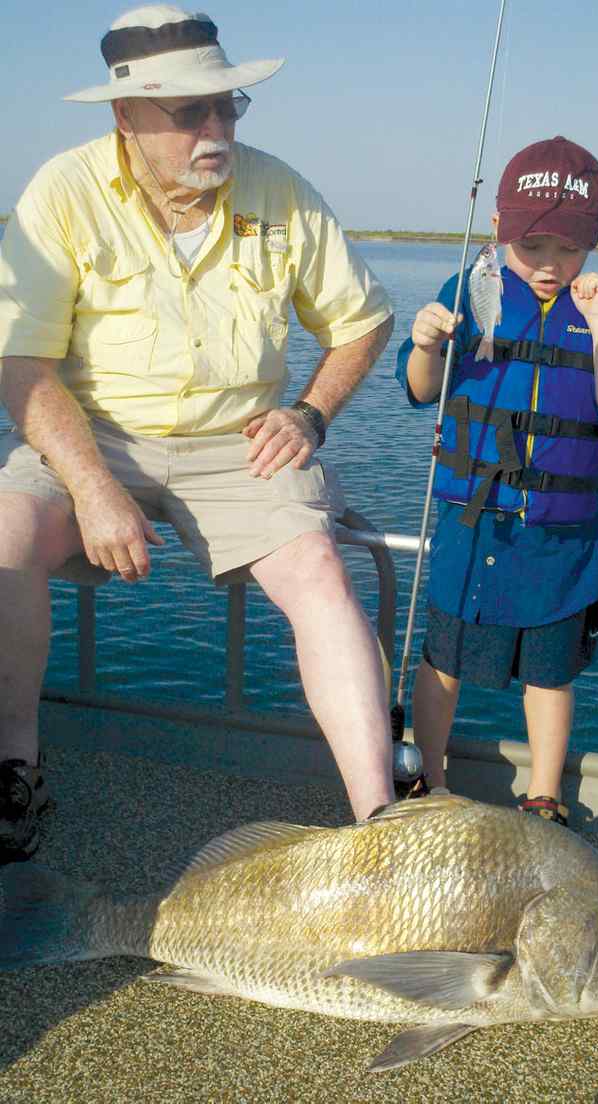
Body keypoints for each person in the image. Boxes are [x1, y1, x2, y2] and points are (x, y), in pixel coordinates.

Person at [0, 4, 398, 861]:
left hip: (240, 442)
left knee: (321, 569)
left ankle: (382, 820)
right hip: (95, 435)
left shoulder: (279, 190)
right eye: (190, 111)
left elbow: (364, 320)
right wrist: (93, 487)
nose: (216, 128)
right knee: (5, 537)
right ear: (125, 116)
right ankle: (14, 773)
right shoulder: (62, 192)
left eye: (228, 105)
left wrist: (309, 414)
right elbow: (23, 363)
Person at [396, 136, 598, 826]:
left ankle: (545, 796)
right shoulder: (468, 290)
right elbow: (422, 389)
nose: (550, 264)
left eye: (569, 248)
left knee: (550, 675)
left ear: (594, 241)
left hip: (561, 539)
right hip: (472, 524)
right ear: (500, 228)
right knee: (442, 662)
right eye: (532, 247)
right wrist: (424, 344)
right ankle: (430, 783)